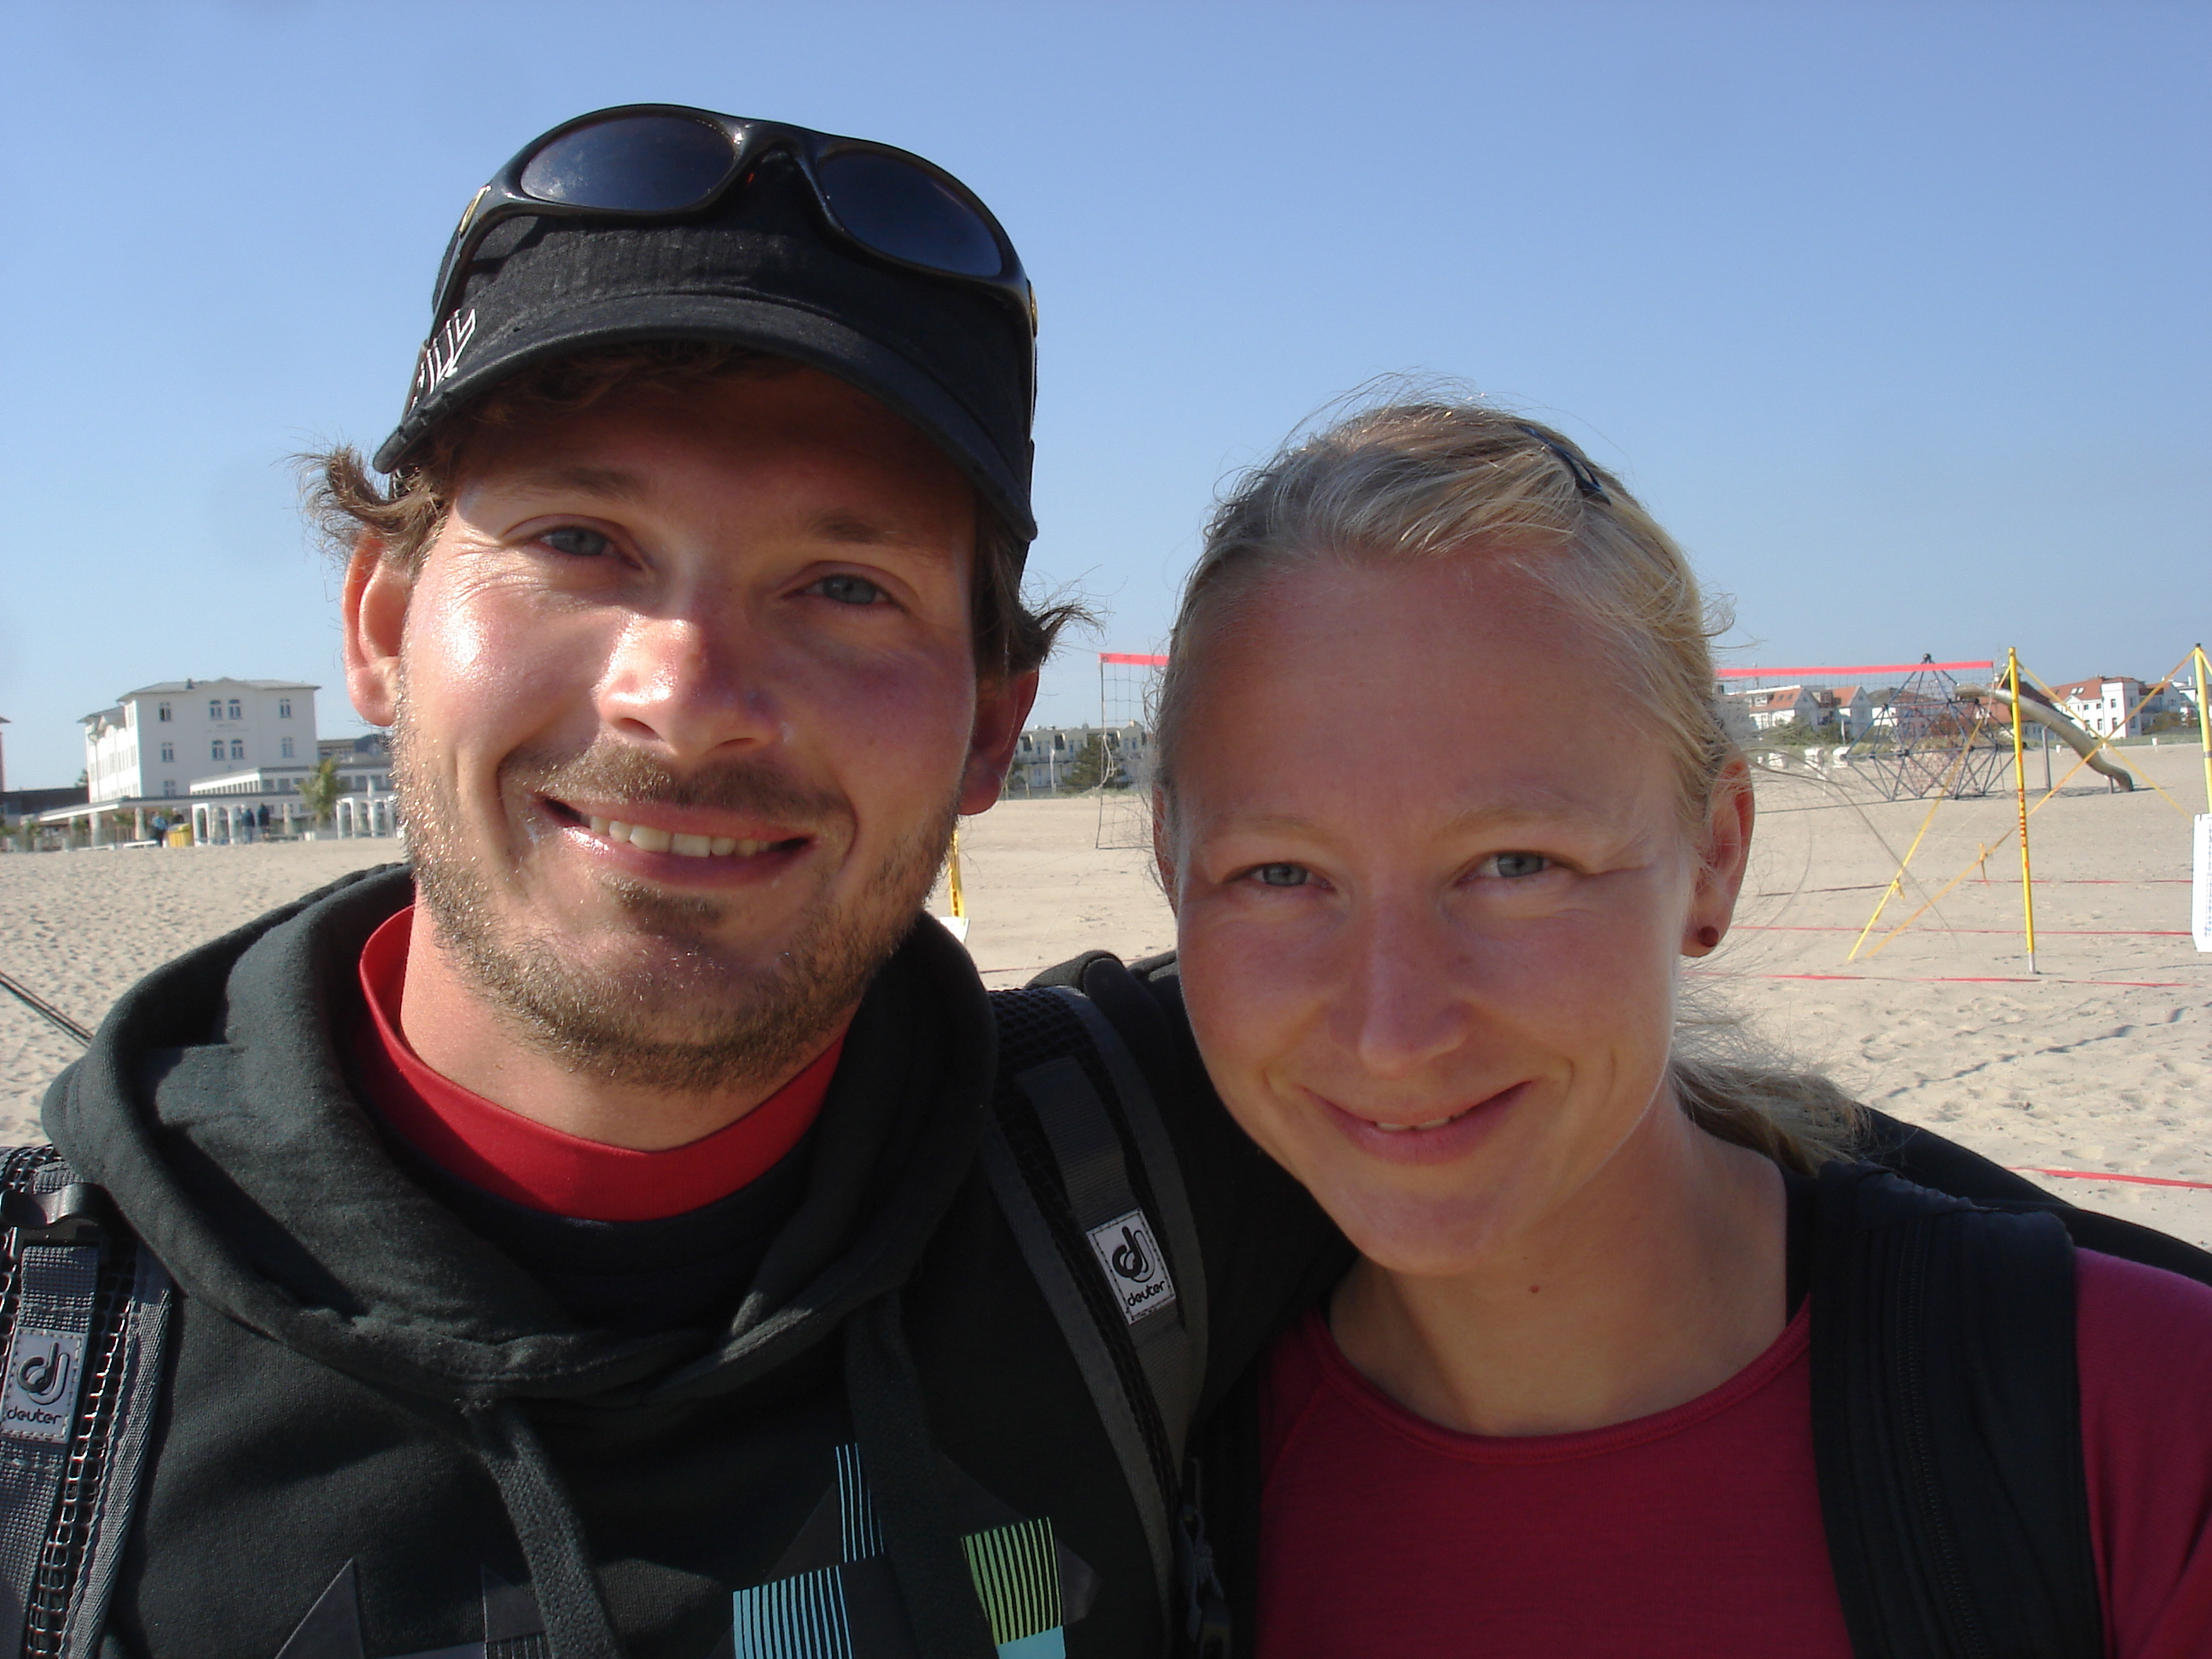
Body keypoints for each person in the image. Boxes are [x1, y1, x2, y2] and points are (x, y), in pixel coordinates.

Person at [12, 106, 1336, 1659]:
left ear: (991, 725)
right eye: (581, 539)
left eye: (844, 585)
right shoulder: (64, 1376)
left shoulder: (1186, 1162)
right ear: (380, 627)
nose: (689, 697)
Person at [1147, 399, 2212, 1657]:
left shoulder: (2138, 1429)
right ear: (1170, 866)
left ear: (1715, 856)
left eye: (1516, 864)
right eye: (1279, 874)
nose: (1394, 1032)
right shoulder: (1122, 1487)